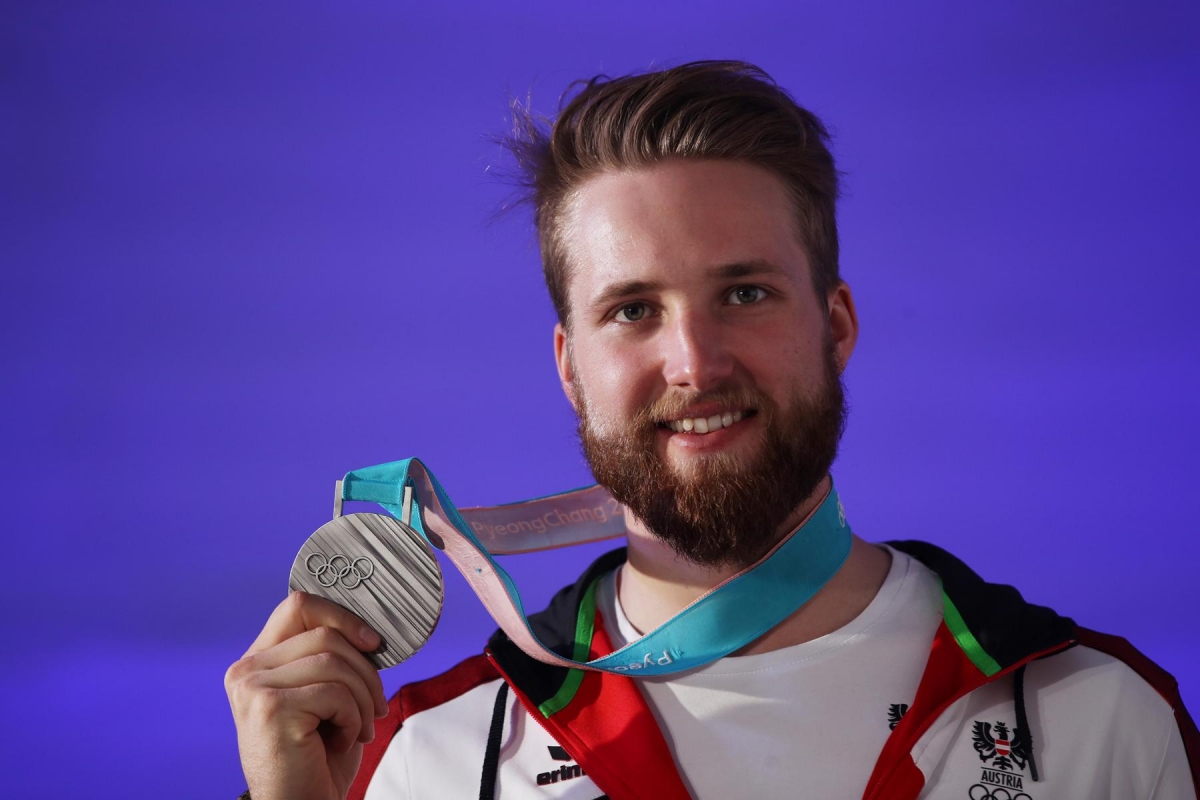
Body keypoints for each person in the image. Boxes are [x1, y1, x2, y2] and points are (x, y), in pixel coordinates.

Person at [225, 61, 1198, 800]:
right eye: (633, 309)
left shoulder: (1097, 721)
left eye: (744, 290)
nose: (694, 361)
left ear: (837, 325)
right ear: (571, 365)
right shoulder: (426, 759)